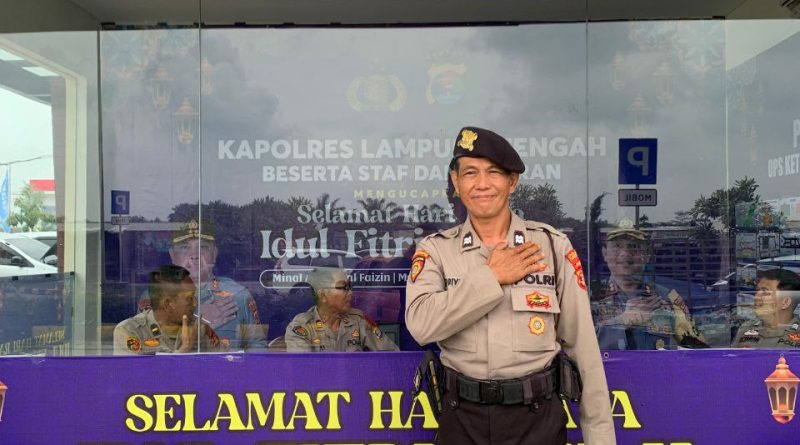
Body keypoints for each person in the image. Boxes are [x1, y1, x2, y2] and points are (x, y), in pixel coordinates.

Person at [405, 126, 615, 445]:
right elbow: (421, 325)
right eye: (470, 172)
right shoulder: (436, 250)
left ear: (512, 181)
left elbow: (583, 349)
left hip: (536, 420)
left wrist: (600, 438)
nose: (482, 184)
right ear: (456, 182)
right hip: (462, 419)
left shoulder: (552, 247)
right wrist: (491, 277)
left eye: (494, 172)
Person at [138, 219, 267, 351]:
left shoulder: (238, 295)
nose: (194, 255)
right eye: (184, 247)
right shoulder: (155, 295)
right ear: (173, 255)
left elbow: (258, 346)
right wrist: (199, 321)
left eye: (203, 247)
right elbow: (146, 349)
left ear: (214, 254)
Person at [592, 224, 706, 350]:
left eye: (633, 246)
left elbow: (698, 348)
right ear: (605, 253)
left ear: (646, 255)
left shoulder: (668, 298)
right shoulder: (590, 298)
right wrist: (622, 321)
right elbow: (580, 347)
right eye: (617, 246)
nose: (625, 253)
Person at [285, 267, 399, 352]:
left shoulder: (358, 320)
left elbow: (391, 357)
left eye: (349, 287)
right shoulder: (302, 327)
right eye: (343, 287)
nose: (350, 293)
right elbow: (303, 370)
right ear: (323, 295)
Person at [115, 264, 222, 354]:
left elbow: (222, 365)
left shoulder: (200, 329)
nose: (195, 303)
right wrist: (184, 349)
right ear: (167, 304)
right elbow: (132, 372)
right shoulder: (130, 330)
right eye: (189, 298)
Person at [733, 268, 800, 348]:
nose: (756, 297)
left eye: (765, 292)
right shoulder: (746, 328)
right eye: (757, 291)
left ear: (785, 302)